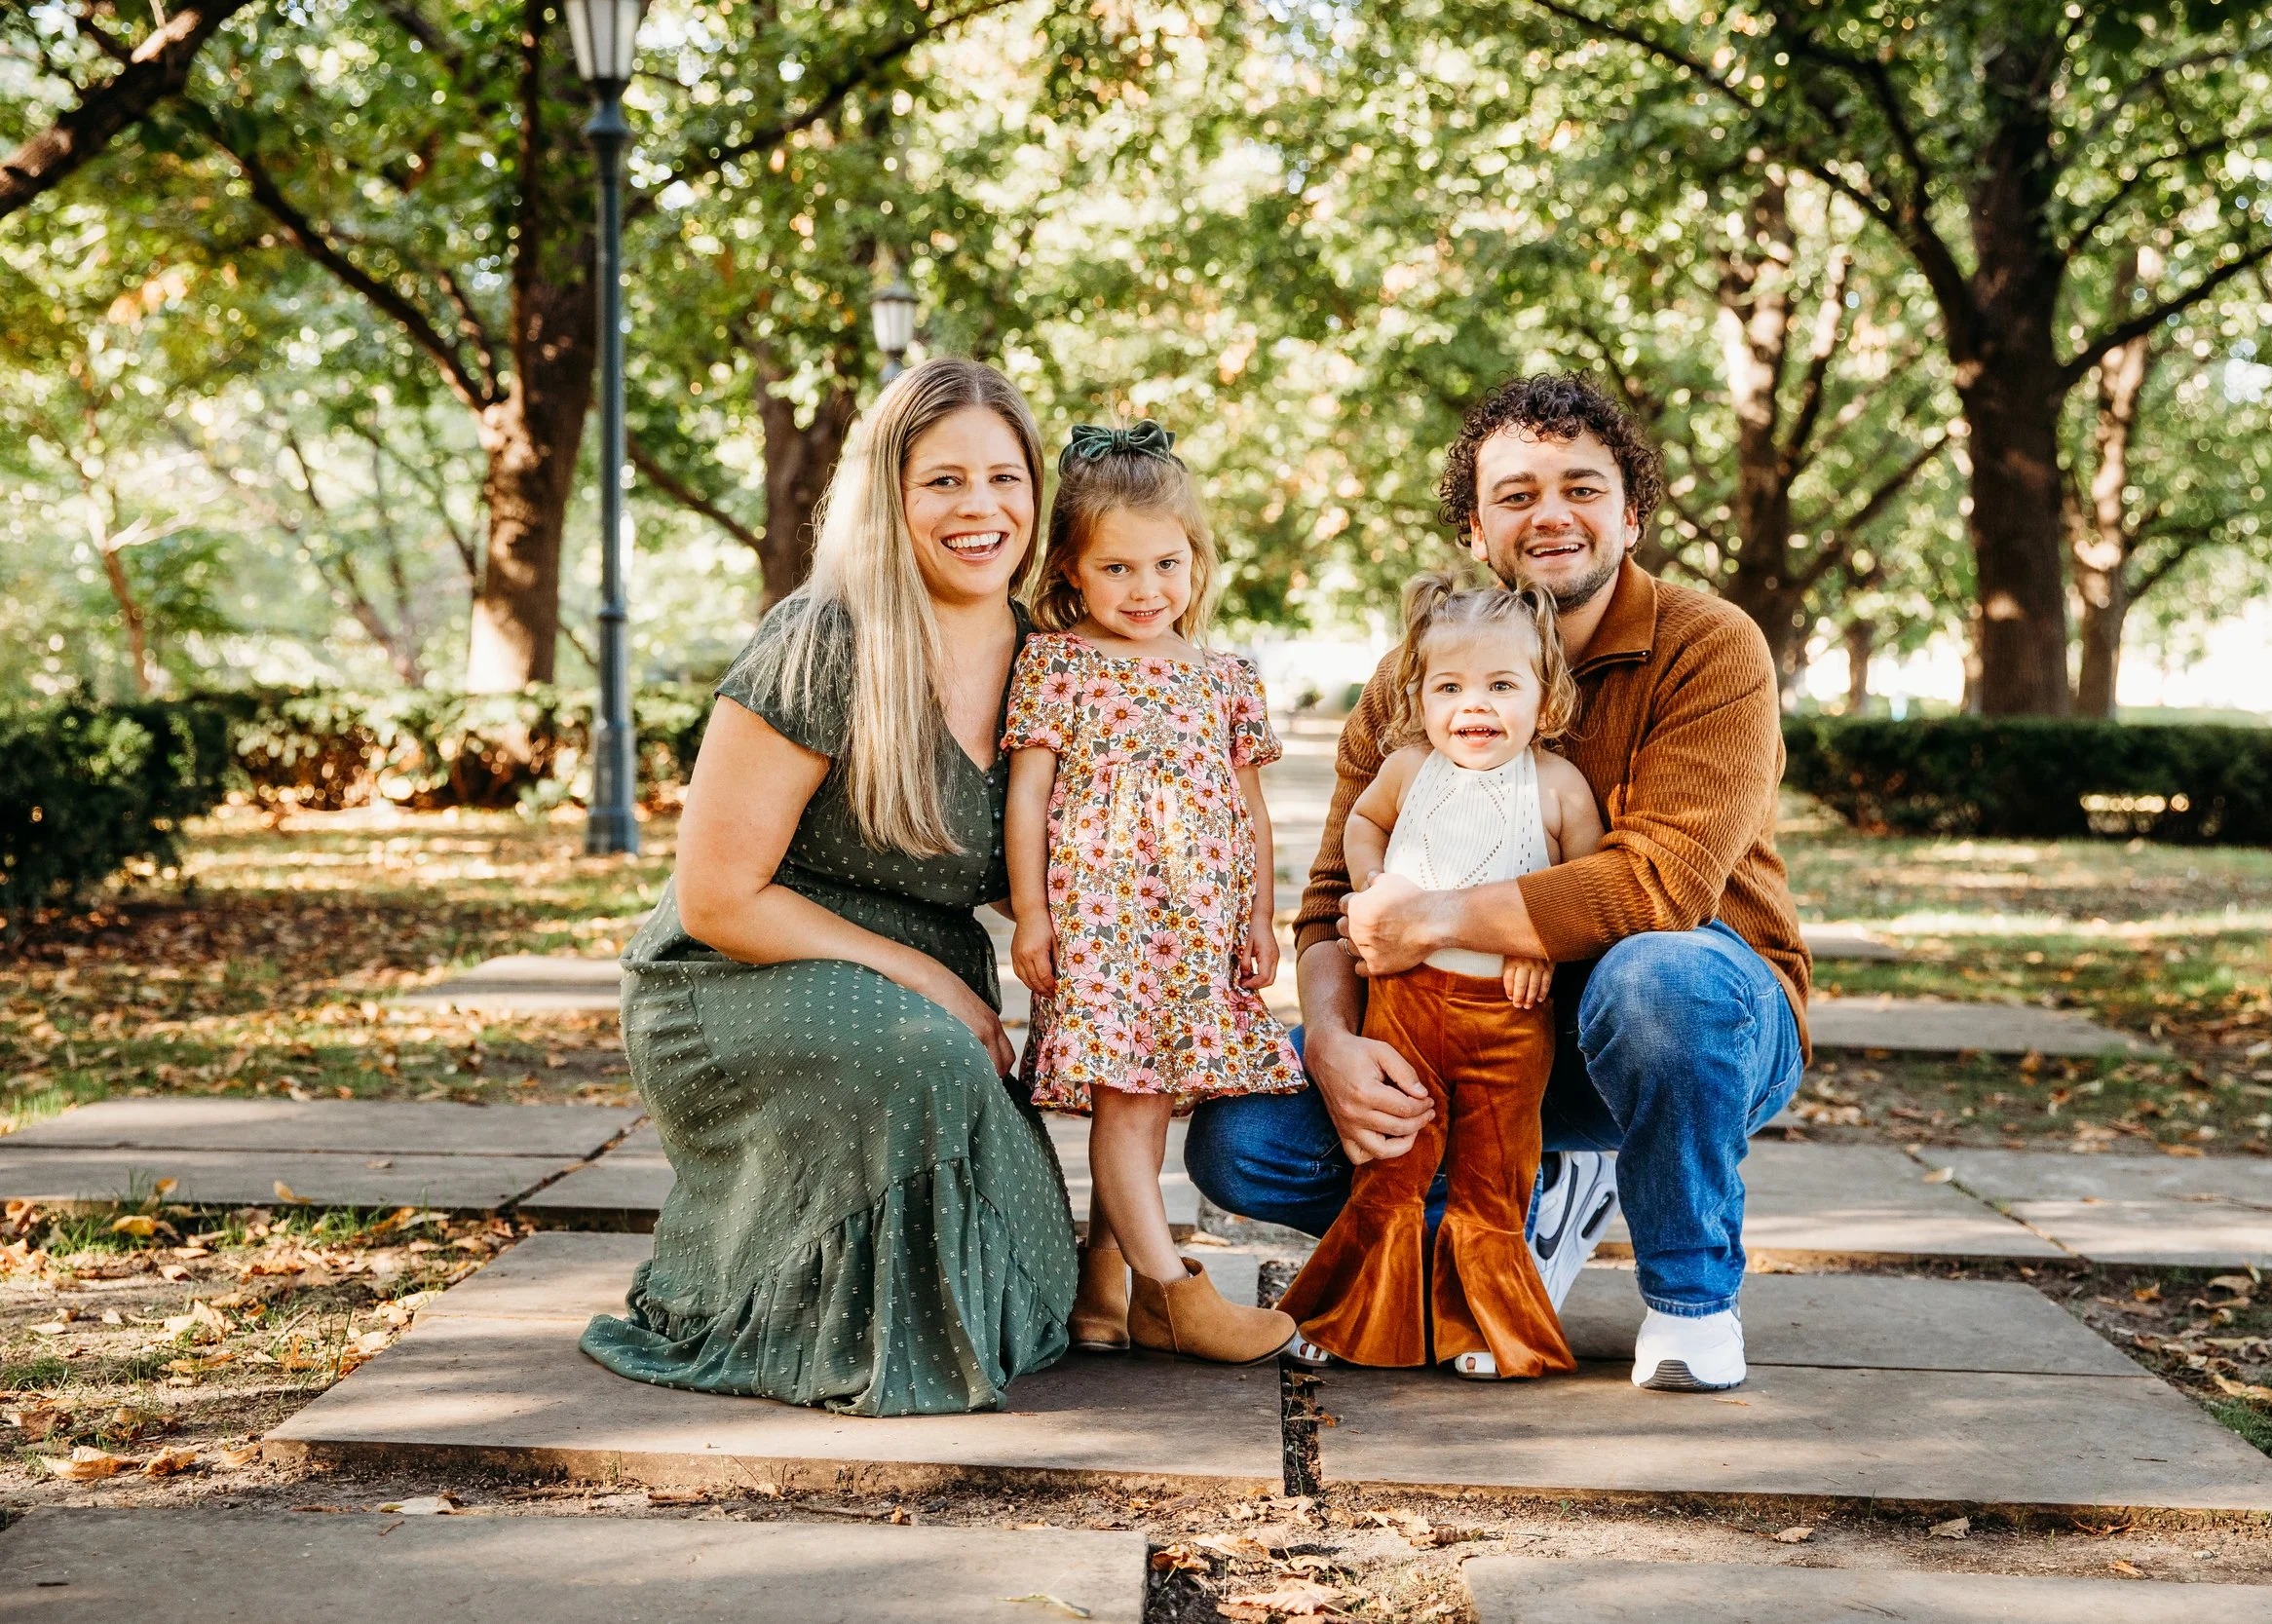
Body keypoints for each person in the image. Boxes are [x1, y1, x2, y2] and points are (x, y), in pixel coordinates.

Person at [1187, 373, 1811, 1393]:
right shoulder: (1413, 673)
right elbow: (1328, 904)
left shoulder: (1709, 647)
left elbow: (1661, 885)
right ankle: (1502, 1228)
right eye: (1517, 494)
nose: (1551, 513)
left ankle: (1691, 1299)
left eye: (1581, 487)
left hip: (1678, 1025)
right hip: (1450, 1034)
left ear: (1631, 511)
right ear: (1476, 528)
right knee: (1241, 1134)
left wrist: (1434, 915)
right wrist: (1338, 1045)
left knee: (1657, 979)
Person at [579, 359, 1078, 1416]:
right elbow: (717, 894)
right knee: (927, 1058)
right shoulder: (823, 639)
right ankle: (747, 1298)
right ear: (886, 496)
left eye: (1005, 478)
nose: (981, 508)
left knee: (1046, 1277)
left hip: (925, 988)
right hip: (735, 969)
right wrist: (931, 982)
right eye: (942, 480)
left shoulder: (1054, 664)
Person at [1003, 421, 1304, 1365]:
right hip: (1104, 928)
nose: (1145, 590)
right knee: (1129, 1106)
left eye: (1165, 564)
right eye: (1118, 569)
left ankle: (1103, 1288)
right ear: (1073, 574)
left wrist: (1258, 915)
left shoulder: (1222, 677)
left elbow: (1248, 814)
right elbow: (1027, 799)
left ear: (1196, 561)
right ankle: (1170, 1290)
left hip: (1195, 927)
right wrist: (1034, 914)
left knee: (1147, 1102)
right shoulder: (1061, 664)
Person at [1276, 575, 1602, 1379]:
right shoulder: (1405, 768)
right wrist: (1373, 886)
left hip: (1506, 1024)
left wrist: (1543, 938)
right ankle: (1349, 1316)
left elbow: (1590, 883)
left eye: (1501, 685)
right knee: (1391, 1167)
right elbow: (1363, 823)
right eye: (1449, 686)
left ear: (1545, 693)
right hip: (1406, 1008)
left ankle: (1483, 1328)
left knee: (1494, 1179)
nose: (1474, 706)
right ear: (1417, 693)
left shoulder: (1556, 785)